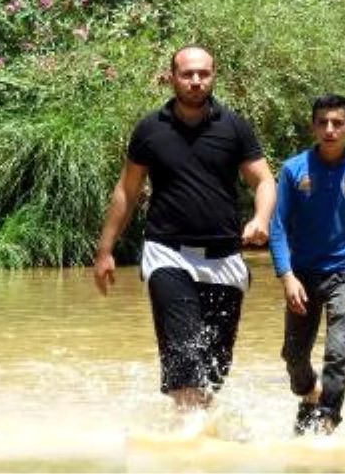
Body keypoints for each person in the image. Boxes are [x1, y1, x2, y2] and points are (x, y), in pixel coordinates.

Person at [92, 45, 276, 413]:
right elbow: (127, 191)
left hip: (225, 260)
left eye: (203, 74)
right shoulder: (149, 129)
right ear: (172, 77)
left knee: (214, 369)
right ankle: (187, 446)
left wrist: (261, 219)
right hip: (167, 254)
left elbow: (265, 181)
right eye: (187, 74)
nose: (195, 81)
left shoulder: (234, 127)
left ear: (214, 76)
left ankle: (198, 434)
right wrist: (105, 249)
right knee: (184, 356)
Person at [269, 94, 345, 437]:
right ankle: (310, 395)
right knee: (293, 355)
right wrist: (286, 275)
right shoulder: (294, 170)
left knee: (338, 352)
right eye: (323, 122)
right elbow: (277, 226)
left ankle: (327, 419)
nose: (330, 130)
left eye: (337, 123)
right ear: (313, 126)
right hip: (302, 274)